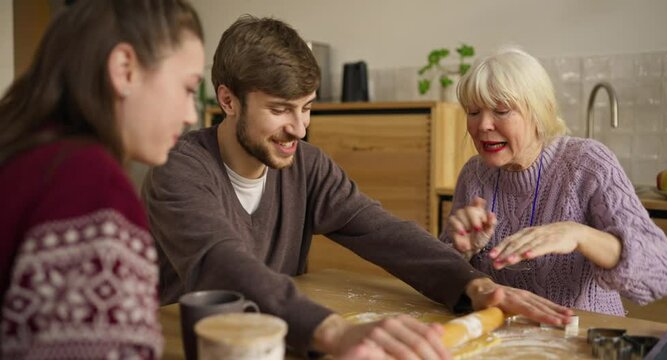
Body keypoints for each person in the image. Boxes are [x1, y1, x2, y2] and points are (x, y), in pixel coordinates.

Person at [142, 16, 572, 359]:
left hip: (278, 340)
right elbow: (222, 264)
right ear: (228, 100)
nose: (298, 128)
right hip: (186, 346)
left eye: (307, 108)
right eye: (279, 110)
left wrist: (475, 285)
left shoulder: (305, 165)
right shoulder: (178, 169)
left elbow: (381, 230)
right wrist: (334, 330)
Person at [0, 1, 205, 358]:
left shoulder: (26, 155)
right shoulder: (92, 185)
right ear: (125, 69)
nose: (191, 115)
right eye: (188, 89)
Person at [439, 47, 667, 317]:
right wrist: (463, 251)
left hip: (579, 337)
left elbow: (661, 274)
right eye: (473, 112)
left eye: (501, 111)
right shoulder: (474, 174)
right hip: (502, 340)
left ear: (540, 113)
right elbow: (444, 279)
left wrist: (580, 235)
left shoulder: (587, 164)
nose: (483, 125)